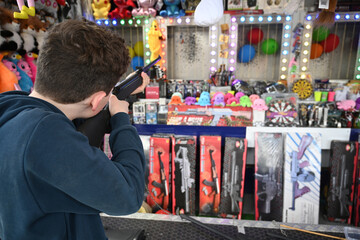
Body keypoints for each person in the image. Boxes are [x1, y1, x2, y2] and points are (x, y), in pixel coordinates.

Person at [0, 19, 149, 240]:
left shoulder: (11, 107)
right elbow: (129, 195)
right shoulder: (45, 135)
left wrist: (111, 95)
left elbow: (71, 129)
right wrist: (120, 118)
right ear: (97, 100)